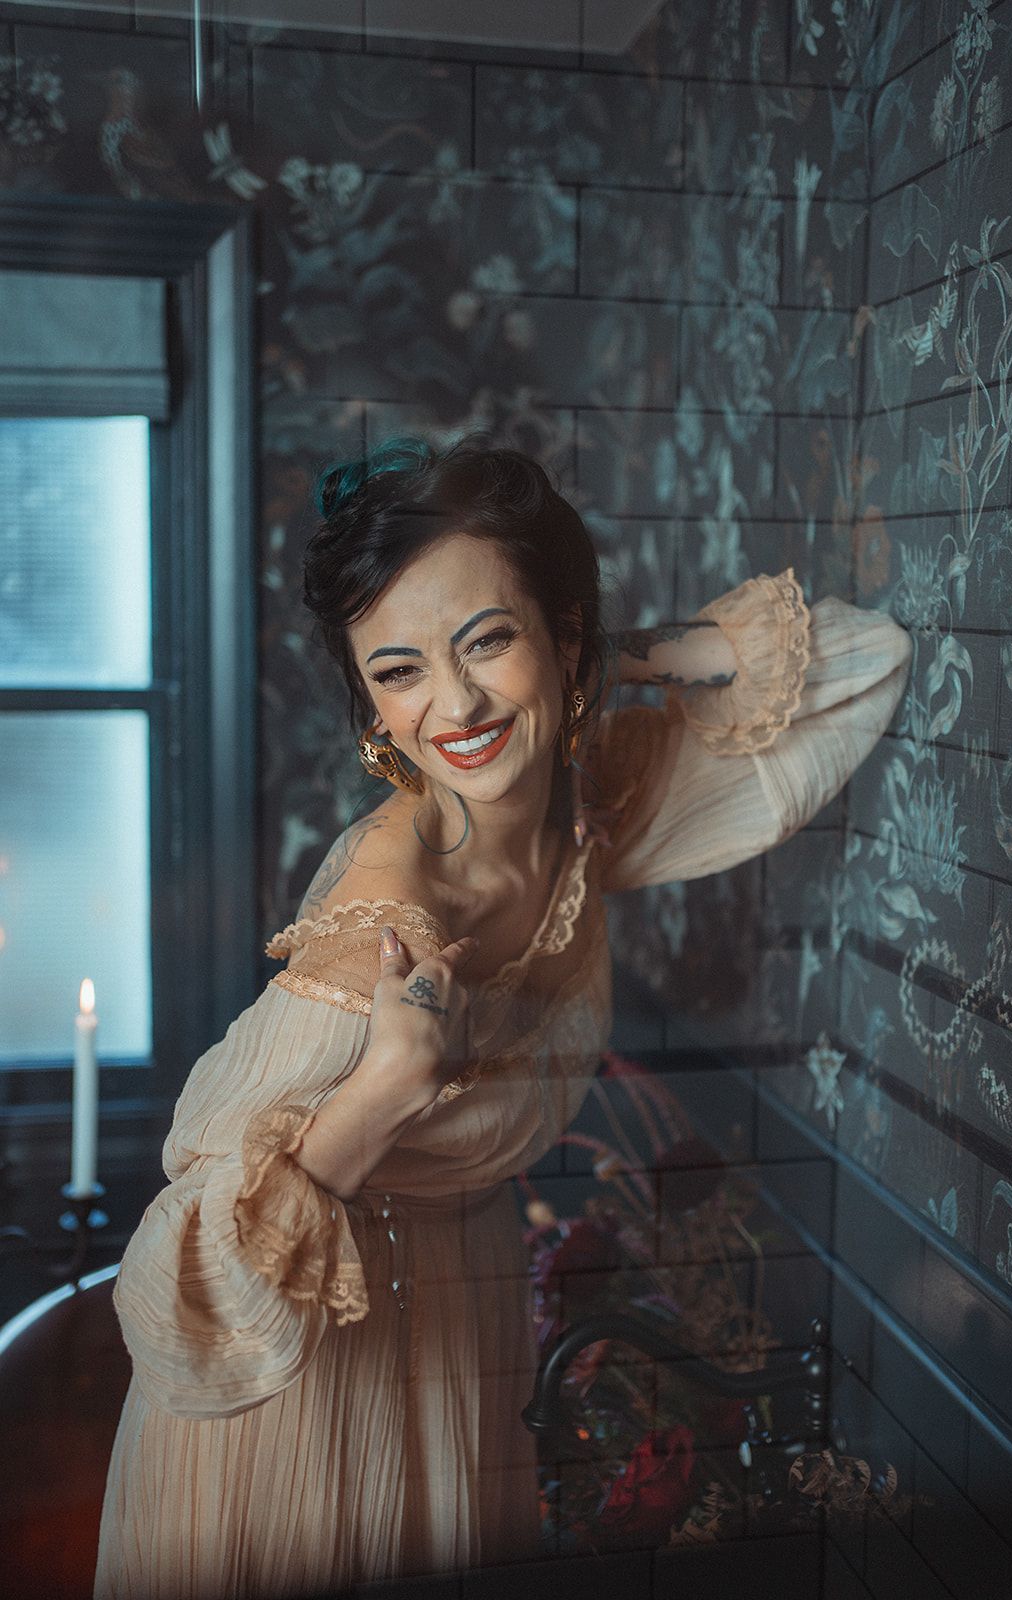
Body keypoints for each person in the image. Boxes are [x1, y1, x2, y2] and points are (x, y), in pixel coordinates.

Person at [93, 435, 912, 1599]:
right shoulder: (379, 926)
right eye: (398, 670)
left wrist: (606, 664)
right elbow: (175, 1288)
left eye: (487, 640)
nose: (455, 705)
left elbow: (861, 665)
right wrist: (379, 1094)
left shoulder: (584, 804)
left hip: (457, 1347)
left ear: (560, 634)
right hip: (298, 1405)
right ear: (369, 701)